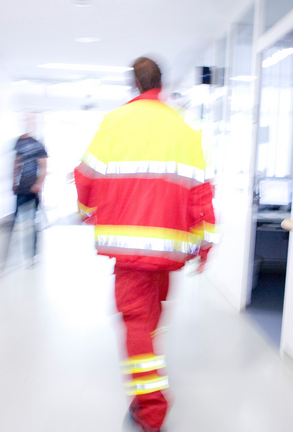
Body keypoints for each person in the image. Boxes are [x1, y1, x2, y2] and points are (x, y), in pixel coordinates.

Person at [74, 57, 216, 432]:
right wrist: (205, 244)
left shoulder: (116, 122)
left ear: (134, 85)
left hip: (130, 250)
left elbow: (85, 175)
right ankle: (147, 387)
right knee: (151, 320)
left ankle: (150, 412)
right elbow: (202, 192)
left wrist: (88, 210)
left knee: (137, 324)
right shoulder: (185, 127)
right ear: (159, 84)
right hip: (169, 250)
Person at [0, 113, 48, 272]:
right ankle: (4, 260)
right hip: (20, 189)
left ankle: (31, 257)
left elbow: (44, 167)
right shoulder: (18, 142)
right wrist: (13, 182)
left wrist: (38, 184)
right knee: (12, 223)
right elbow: (16, 162)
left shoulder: (38, 144)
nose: (28, 122)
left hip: (33, 190)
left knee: (31, 224)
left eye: (31, 120)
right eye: (26, 119)